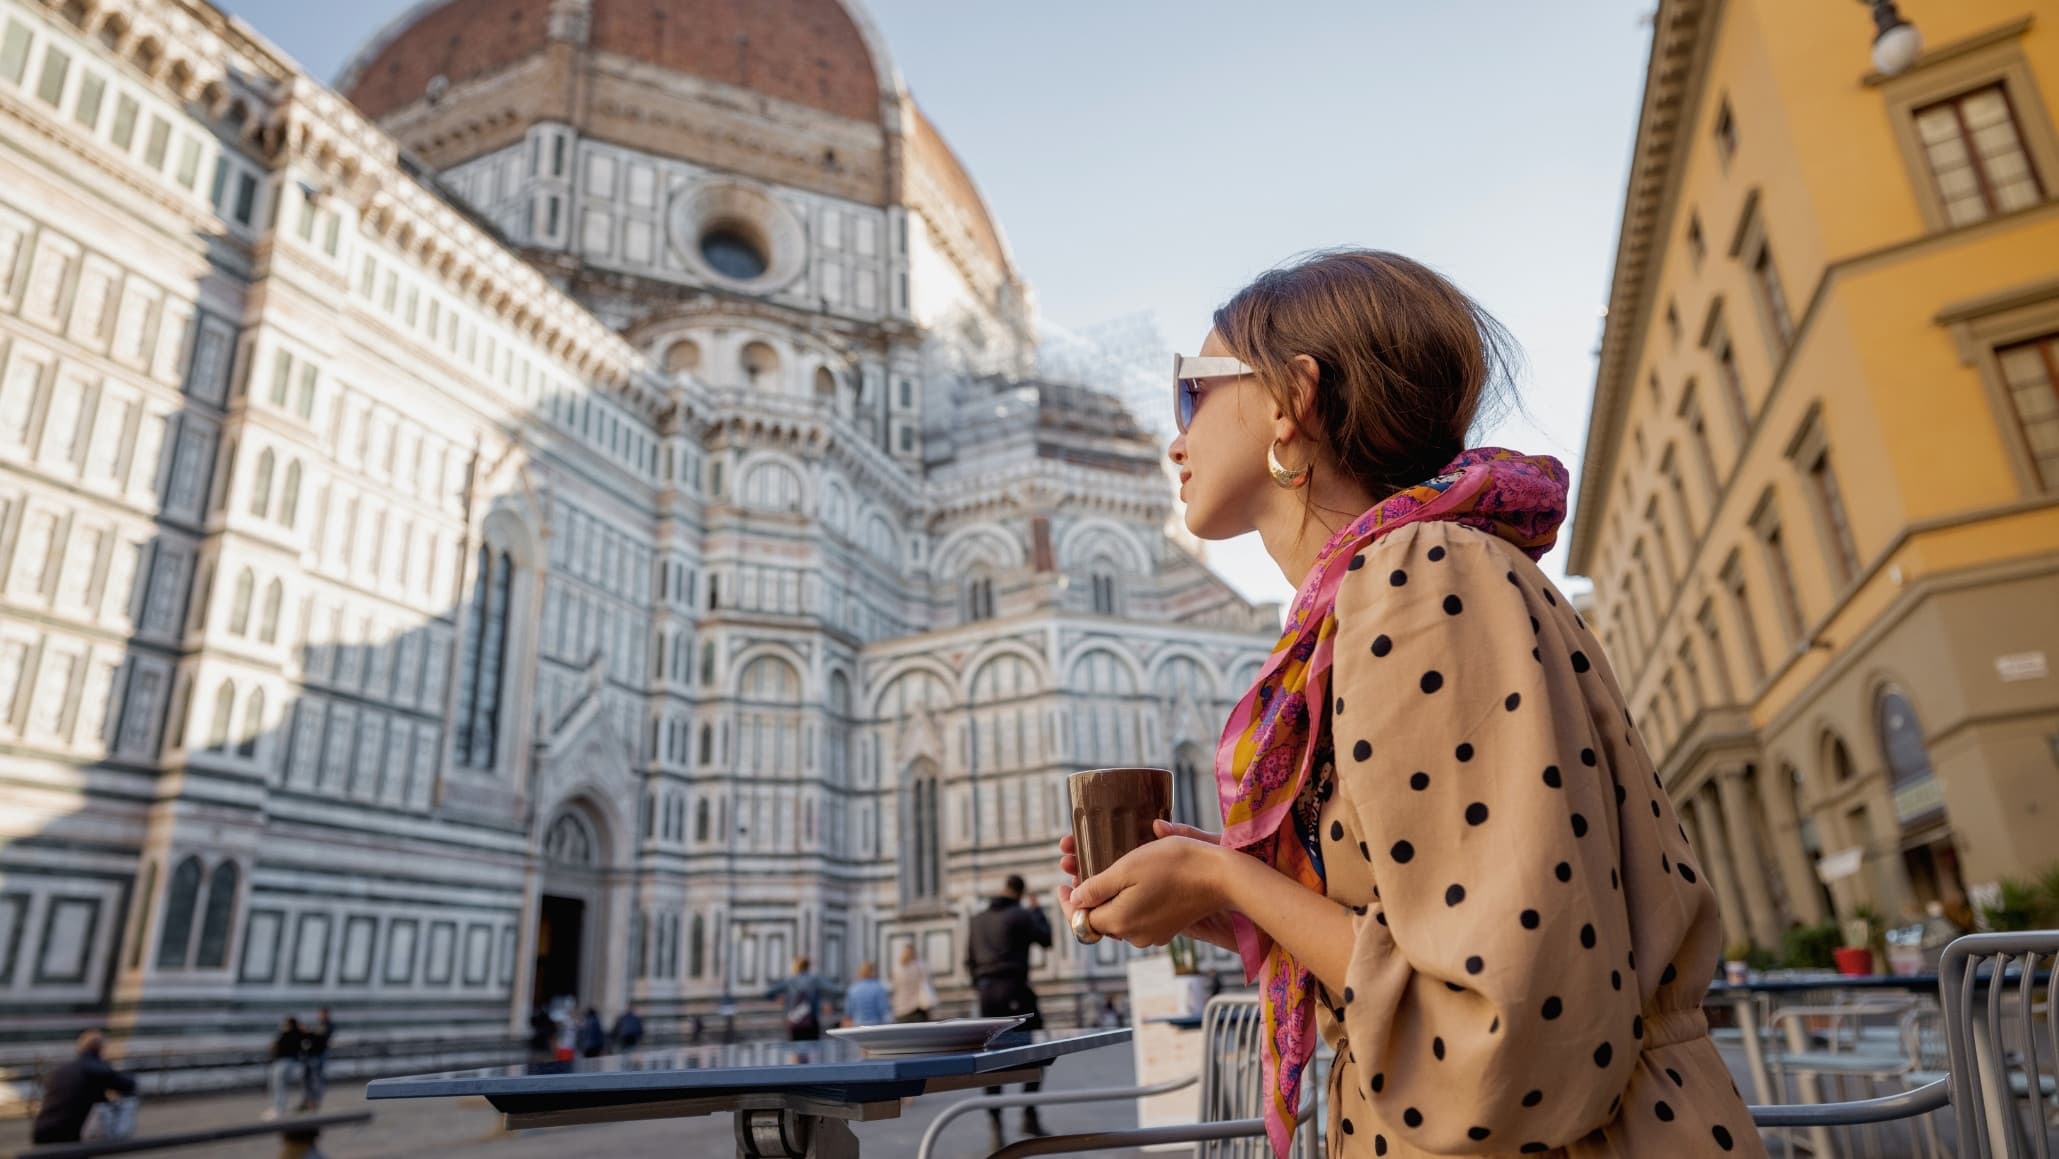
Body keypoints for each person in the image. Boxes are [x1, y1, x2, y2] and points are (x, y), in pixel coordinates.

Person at [1056, 250, 1765, 1157]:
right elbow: (1427, 932)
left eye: (1191, 390)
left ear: (1289, 398)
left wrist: (1228, 876)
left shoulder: (1417, 576)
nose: (1175, 436)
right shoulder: (1385, 590)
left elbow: (1507, 1026)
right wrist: (1215, 896)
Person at [965, 874, 1052, 1148]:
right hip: (1015, 991)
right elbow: (1046, 939)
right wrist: (1038, 911)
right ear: (1021, 893)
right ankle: (1029, 1114)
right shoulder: (1022, 915)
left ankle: (995, 1124)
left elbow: (968, 961)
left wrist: (981, 987)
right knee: (1039, 1050)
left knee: (992, 1058)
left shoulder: (977, 921)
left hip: (987, 996)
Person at [30, 1029, 137, 1144]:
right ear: (100, 1049)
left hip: (41, 1132)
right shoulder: (96, 1069)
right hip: (68, 1135)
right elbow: (128, 1084)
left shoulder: (61, 1070)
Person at [765, 956, 833, 1041]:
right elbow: (834, 989)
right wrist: (827, 1002)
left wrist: (777, 998)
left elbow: (768, 993)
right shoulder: (815, 979)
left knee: (795, 1047)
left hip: (794, 1019)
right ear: (808, 966)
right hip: (811, 1020)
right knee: (813, 1048)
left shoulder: (789, 980)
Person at [262, 1017, 307, 1121]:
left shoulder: (285, 1034)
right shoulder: (299, 1034)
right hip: (293, 1063)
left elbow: (274, 1047)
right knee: (283, 1087)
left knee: (278, 1087)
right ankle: (280, 1108)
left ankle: (278, 1110)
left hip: (281, 1063)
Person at [890, 942, 937, 1023]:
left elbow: (895, 987)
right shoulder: (920, 966)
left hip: (901, 1008)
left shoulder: (897, 969)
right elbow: (928, 983)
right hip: (918, 1008)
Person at [299, 1007, 334, 1112]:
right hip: (311, 1055)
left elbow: (319, 1036)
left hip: (318, 1055)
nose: (321, 1016)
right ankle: (308, 1102)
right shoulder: (320, 1024)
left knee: (316, 1080)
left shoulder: (328, 1025)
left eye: (323, 1014)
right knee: (307, 1080)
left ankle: (315, 1102)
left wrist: (307, 1031)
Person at [840, 961, 892, 1027]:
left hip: (858, 1025)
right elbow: (883, 1009)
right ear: (872, 972)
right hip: (876, 1025)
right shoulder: (878, 988)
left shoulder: (853, 989)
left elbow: (848, 1012)